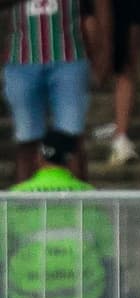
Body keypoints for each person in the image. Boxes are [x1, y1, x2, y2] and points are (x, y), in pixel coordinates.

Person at [3, 130, 114, 298]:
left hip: (28, 292)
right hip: (82, 290)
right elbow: (108, 255)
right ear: (72, 160)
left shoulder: (14, 197)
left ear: (38, 158)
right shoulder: (91, 197)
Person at [2, 0, 110, 182]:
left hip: (69, 58)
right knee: (27, 139)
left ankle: (80, 204)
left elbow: (100, 7)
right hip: (20, 62)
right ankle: (25, 205)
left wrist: (104, 51)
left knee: (72, 139)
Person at [84, 1, 140, 165]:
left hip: (130, 10)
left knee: (127, 63)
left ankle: (120, 135)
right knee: (89, 27)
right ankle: (117, 130)